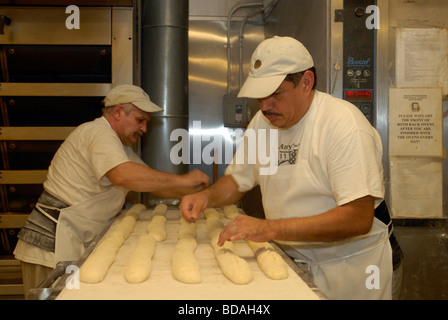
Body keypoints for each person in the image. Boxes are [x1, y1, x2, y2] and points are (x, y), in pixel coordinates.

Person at [180, 36, 393, 300]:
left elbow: (357, 217)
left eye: (276, 94)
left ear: (306, 82)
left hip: (349, 271)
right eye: (260, 97)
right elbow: (238, 180)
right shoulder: (263, 123)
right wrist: (206, 197)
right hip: (290, 263)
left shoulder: (342, 126)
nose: (265, 106)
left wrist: (270, 229)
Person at [14, 84, 210, 297]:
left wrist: (196, 194)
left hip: (73, 241)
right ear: (118, 112)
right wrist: (184, 180)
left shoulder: (119, 147)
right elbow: (123, 175)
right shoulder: (97, 133)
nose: (144, 128)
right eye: (140, 120)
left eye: (146, 122)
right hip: (50, 247)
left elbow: (153, 183)